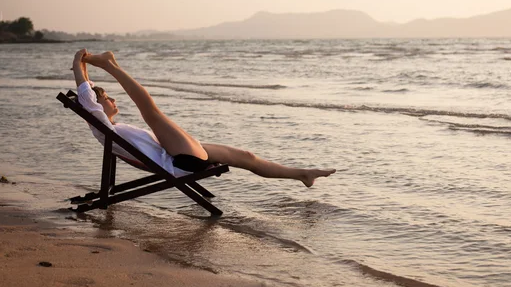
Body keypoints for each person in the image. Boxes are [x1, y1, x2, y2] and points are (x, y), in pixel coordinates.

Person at [72, 49, 335, 187]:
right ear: (96, 106)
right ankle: (110, 65)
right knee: (149, 110)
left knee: (247, 156)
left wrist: (85, 63)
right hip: (180, 162)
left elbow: (89, 93)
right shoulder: (102, 125)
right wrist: (78, 64)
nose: (113, 100)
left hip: (181, 155)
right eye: (107, 98)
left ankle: (302, 174)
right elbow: (86, 96)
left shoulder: (109, 128)